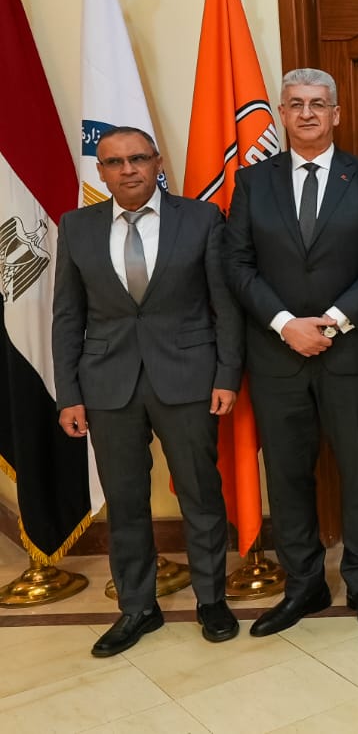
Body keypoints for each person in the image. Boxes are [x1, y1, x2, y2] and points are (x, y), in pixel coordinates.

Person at [225, 68, 358, 635]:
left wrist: (332, 322)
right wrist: (286, 325)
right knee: (287, 476)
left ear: (336, 114)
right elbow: (237, 264)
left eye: (318, 104)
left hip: (353, 352)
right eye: (296, 104)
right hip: (277, 355)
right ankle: (304, 584)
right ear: (281, 113)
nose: (307, 113)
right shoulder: (252, 182)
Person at [52, 126, 242, 657]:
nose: (128, 169)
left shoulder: (201, 219)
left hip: (188, 378)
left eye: (138, 158)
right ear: (101, 172)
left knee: (201, 494)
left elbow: (225, 306)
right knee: (126, 501)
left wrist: (227, 376)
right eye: (114, 162)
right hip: (106, 385)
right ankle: (137, 607)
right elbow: (67, 316)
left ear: (157, 162)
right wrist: (69, 393)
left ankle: (211, 600)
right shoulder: (77, 226)